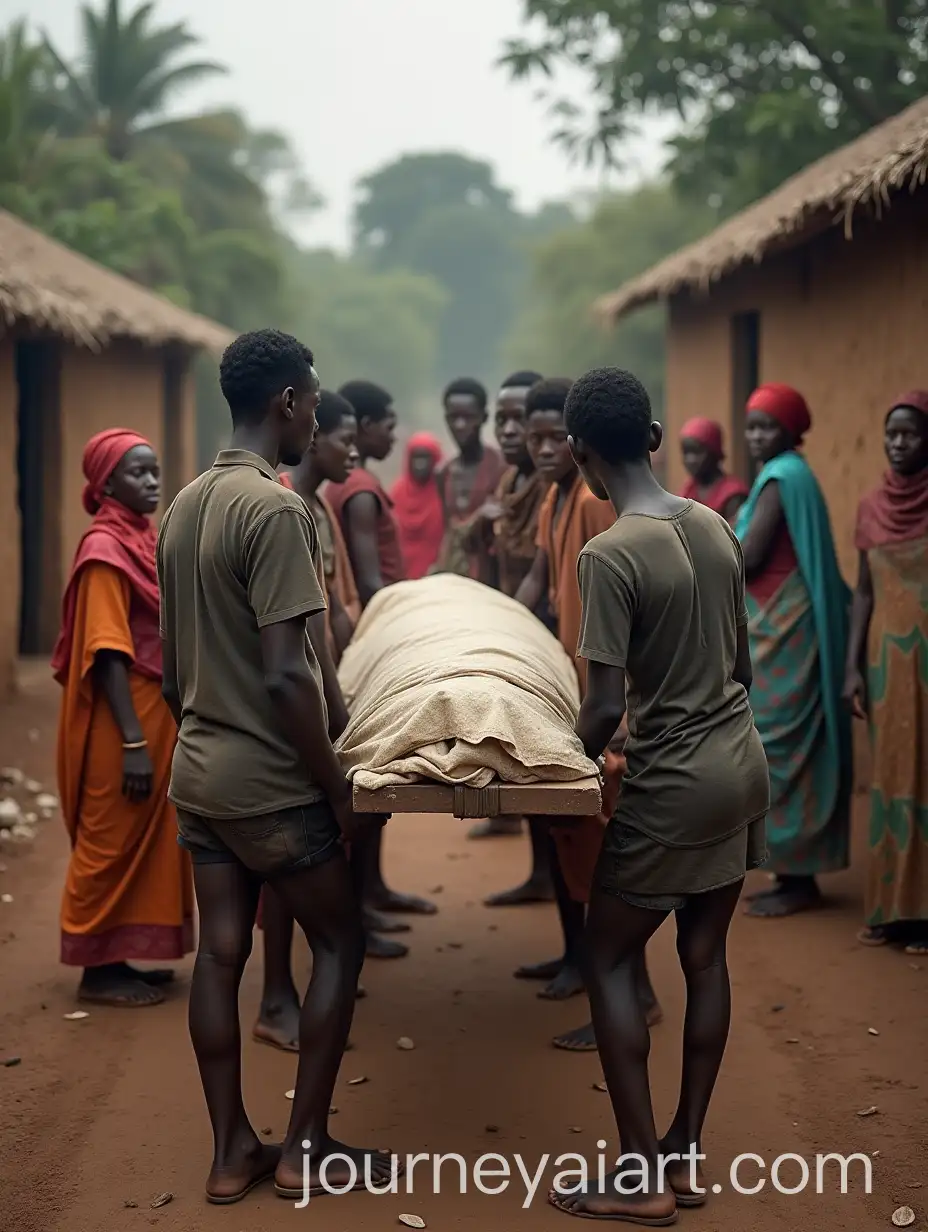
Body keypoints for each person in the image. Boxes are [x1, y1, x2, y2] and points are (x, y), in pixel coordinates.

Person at [157, 330, 393, 1204]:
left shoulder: (183, 506)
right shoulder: (280, 510)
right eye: (316, 399)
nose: (321, 414)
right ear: (287, 402)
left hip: (201, 776)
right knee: (340, 937)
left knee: (221, 958)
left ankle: (231, 1154)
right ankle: (305, 1147)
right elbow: (288, 667)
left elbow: (179, 655)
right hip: (270, 787)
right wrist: (338, 787)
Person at [546, 366, 769, 1223]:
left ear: (580, 454)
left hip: (672, 785)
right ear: (653, 436)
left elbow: (603, 705)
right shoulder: (715, 526)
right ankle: (682, 1150)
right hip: (739, 765)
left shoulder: (606, 554)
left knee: (607, 957)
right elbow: (737, 669)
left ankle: (638, 1176)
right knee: (705, 959)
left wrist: (558, 769)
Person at [516, 379, 661, 1050]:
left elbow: (628, 620)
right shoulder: (555, 496)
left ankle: (634, 994)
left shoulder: (602, 510)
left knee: (604, 855)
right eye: (532, 435)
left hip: (609, 711)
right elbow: (541, 586)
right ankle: (579, 957)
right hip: (572, 691)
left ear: (577, 445)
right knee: (568, 843)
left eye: (553, 437)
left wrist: (612, 721)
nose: (541, 448)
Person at [53, 429, 194, 1007]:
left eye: (156, 470)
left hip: (151, 713)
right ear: (106, 483)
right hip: (123, 721)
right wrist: (134, 743)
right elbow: (107, 651)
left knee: (149, 835)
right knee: (110, 836)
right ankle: (96, 968)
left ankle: (120, 956)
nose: (153, 481)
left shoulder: (142, 537)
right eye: (138, 473)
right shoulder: (105, 550)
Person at [255, 389, 367, 1053]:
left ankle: (280, 995)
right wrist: (330, 719)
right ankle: (278, 996)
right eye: (333, 431)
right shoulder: (285, 509)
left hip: (288, 708)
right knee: (299, 881)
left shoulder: (311, 506)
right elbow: (299, 643)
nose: (345, 445)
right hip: (287, 719)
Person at [735, 382, 852, 919]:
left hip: (786, 626)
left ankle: (798, 877)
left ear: (788, 431)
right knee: (778, 747)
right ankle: (789, 870)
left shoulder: (783, 476)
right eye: (751, 425)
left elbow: (753, 555)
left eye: (767, 426)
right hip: (779, 619)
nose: (757, 436)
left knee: (779, 748)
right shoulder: (785, 475)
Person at [327, 380, 436, 936]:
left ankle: (372, 891)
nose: (392, 433)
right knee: (370, 774)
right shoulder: (363, 487)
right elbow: (372, 580)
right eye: (386, 423)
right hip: (379, 634)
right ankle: (360, 905)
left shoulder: (354, 485)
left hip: (369, 631)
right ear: (365, 427)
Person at [845, 392, 928, 955]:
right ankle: (889, 909)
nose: (898, 443)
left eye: (910, 434)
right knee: (890, 777)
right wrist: (852, 667)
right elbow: (863, 594)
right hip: (884, 660)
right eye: (891, 433)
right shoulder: (871, 507)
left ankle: (923, 916)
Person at [473, 370, 556, 898]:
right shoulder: (508, 485)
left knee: (546, 767)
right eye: (501, 420)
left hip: (542, 637)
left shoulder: (555, 488)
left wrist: (501, 631)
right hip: (515, 627)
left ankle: (553, 876)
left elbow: (541, 577)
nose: (508, 431)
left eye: (518, 420)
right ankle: (541, 873)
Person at [436, 377, 507, 585]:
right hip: (455, 573)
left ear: (483, 417)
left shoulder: (501, 467)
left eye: (468, 417)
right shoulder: (444, 473)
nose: (460, 425)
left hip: (492, 576)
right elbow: (449, 530)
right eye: (453, 417)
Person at [390, 432, 445, 580]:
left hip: (437, 575)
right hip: (401, 575)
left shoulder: (444, 492)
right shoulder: (397, 493)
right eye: (416, 457)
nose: (420, 464)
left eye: (425, 457)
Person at [679, 417, 749, 523]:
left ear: (714, 452)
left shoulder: (733, 494)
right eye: (686, 452)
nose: (690, 460)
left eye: (697, 452)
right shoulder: (688, 489)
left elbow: (734, 536)